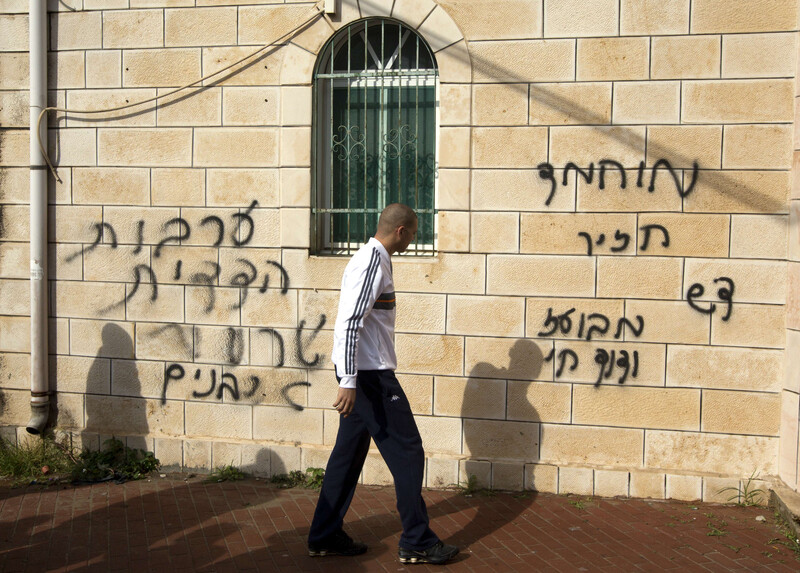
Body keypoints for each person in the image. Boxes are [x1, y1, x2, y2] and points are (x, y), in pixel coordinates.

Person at [307, 203, 459, 565]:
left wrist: (349, 378)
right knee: (408, 450)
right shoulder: (372, 261)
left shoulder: (373, 259)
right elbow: (349, 322)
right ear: (401, 231)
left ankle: (325, 534)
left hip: (363, 375)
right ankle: (417, 540)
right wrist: (347, 380)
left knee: (348, 453)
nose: (413, 240)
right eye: (414, 233)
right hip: (369, 377)